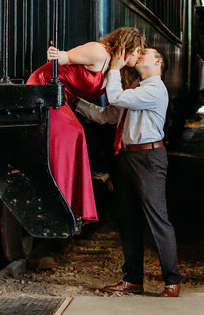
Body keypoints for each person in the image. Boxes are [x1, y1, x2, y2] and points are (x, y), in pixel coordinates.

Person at [75, 46, 181, 297]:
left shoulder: (155, 89)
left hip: (149, 158)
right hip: (126, 156)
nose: (139, 54)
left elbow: (116, 99)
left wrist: (113, 69)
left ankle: (172, 280)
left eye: (146, 52)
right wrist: (75, 102)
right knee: (127, 220)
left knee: (157, 218)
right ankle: (132, 279)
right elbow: (108, 116)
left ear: (157, 62)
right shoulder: (134, 90)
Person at [27, 27, 144, 225]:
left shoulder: (114, 68)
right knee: (73, 132)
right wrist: (55, 54)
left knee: (76, 132)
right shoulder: (99, 52)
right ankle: (59, 200)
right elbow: (64, 58)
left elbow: (113, 111)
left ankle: (68, 202)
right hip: (45, 88)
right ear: (127, 46)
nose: (139, 56)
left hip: (63, 96)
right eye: (139, 51)